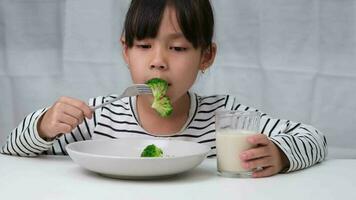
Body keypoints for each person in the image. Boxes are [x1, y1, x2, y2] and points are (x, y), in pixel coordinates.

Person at [0, 0, 327, 178]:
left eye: (179, 48)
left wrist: (282, 154)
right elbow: (12, 150)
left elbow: (313, 137)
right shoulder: (97, 117)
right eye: (144, 45)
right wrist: (43, 126)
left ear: (206, 56)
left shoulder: (225, 118)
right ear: (125, 51)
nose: (158, 62)